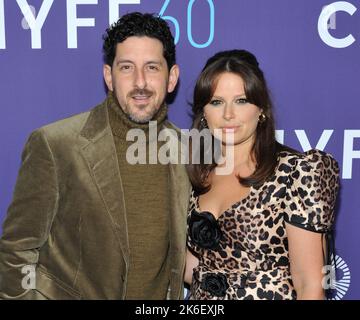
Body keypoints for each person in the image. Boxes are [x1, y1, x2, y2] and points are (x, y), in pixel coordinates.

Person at [0, 12, 191, 300]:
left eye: (152, 67)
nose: (140, 82)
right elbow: (17, 250)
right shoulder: (56, 145)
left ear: (172, 77)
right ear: (109, 76)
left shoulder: (188, 151)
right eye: (126, 67)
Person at [184, 49, 340, 300]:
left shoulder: (296, 173)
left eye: (241, 100)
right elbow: (195, 269)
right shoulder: (195, 176)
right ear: (203, 114)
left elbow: (310, 285)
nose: (228, 114)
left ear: (261, 109)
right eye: (216, 102)